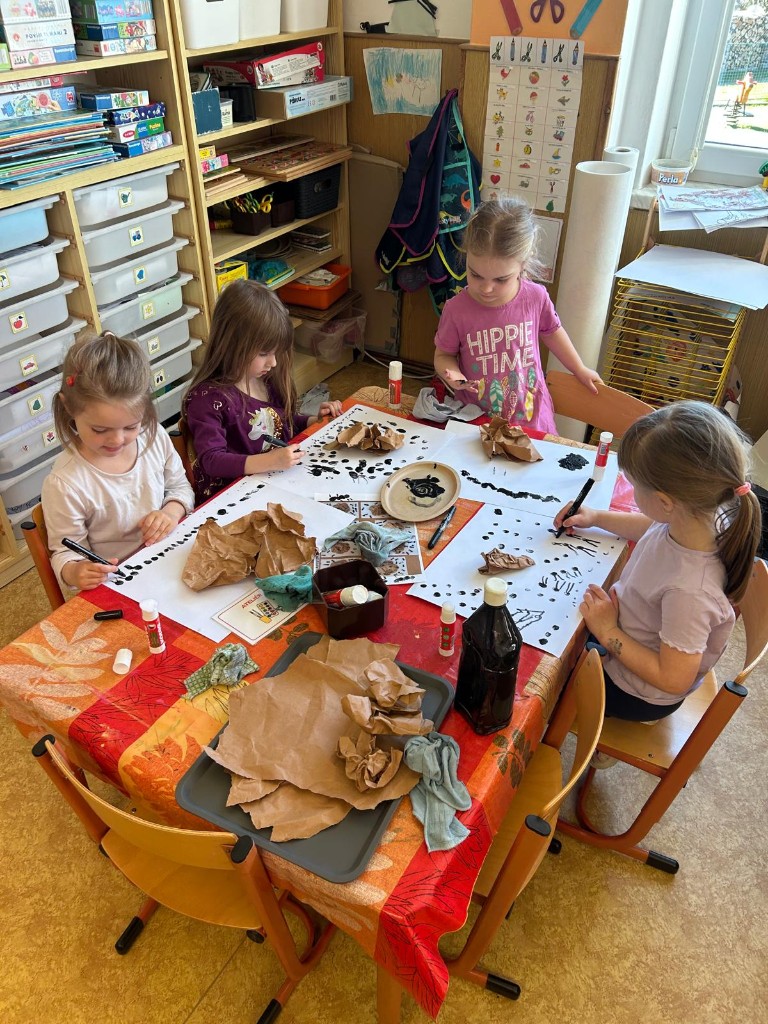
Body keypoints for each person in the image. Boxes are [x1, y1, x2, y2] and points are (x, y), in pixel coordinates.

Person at [554, 401, 762, 732]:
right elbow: (651, 527)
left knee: (546, 672)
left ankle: (579, 727)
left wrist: (608, 632)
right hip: (628, 634)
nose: (632, 491)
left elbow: (673, 679)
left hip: (634, 690)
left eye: (635, 486)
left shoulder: (690, 592)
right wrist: (595, 517)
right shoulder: (700, 518)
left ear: (665, 502)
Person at [42, 332, 195, 591]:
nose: (117, 440)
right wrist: (75, 571)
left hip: (171, 560)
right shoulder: (65, 483)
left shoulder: (154, 436)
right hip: (119, 583)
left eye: (131, 426)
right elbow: (65, 552)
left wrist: (171, 511)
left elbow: (180, 487)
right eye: (100, 430)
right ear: (68, 407)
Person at [433, 197, 601, 432]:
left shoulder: (535, 297)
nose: (486, 288)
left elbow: (552, 332)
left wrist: (579, 368)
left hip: (531, 418)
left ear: (523, 264)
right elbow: (443, 355)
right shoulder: (456, 309)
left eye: (501, 279)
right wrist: (453, 375)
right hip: (477, 422)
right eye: (475, 275)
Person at [184, 280, 342, 504]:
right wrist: (270, 461)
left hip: (277, 484)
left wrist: (314, 421)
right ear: (232, 344)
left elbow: (280, 422)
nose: (273, 362)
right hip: (235, 500)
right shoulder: (207, 399)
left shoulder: (266, 380)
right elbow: (212, 460)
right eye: (264, 353)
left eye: (276, 353)